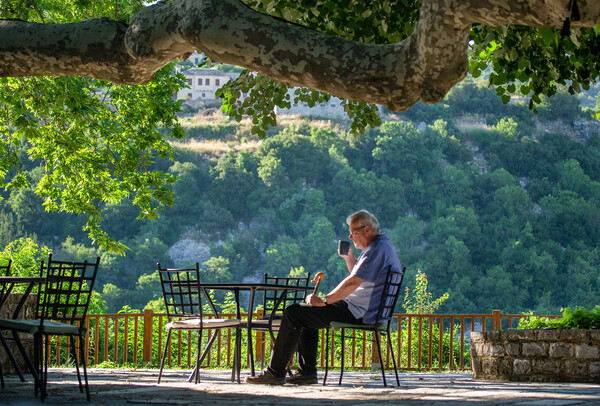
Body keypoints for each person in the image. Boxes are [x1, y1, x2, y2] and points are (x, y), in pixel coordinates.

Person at [246, 210, 402, 385]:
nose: (350, 237)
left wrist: (326, 300)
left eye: (353, 232)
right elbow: (362, 278)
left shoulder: (376, 249)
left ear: (367, 229)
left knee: (293, 313)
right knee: (306, 313)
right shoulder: (382, 246)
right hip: (363, 310)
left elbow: (353, 283)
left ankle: (275, 372)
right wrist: (349, 258)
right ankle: (306, 373)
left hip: (358, 312)